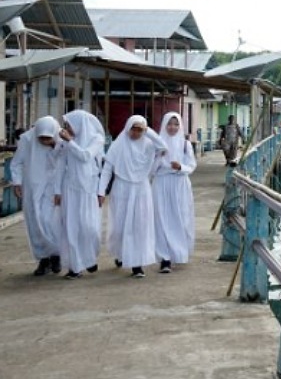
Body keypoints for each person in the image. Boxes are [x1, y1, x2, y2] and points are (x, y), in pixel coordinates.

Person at [99, 115, 167, 278]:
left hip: (141, 189)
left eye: (139, 130)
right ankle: (122, 254)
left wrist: (147, 130)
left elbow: (163, 146)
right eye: (133, 128)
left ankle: (137, 264)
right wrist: (101, 192)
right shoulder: (118, 145)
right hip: (122, 188)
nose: (136, 133)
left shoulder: (149, 144)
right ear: (127, 127)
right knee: (121, 226)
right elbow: (107, 169)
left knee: (139, 226)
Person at [10, 116, 64, 276]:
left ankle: (56, 256)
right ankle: (43, 259)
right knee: (35, 224)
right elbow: (17, 163)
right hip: (32, 188)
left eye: (48, 138)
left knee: (51, 222)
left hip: (54, 189)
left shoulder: (62, 140)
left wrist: (55, 145)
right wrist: (17, 183)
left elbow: (66, 161)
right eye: (42, 138)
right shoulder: (27, 139)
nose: (44, 141)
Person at [55, 110, 105, 280]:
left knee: (89, 228)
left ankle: (89, 258)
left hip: (88, 190)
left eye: (69, 125)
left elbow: (85, 156)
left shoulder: (96, 139)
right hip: (70, 189)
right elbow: (60, 165)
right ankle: (75, 267)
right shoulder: (66, 142)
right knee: (71, 228)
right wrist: (57, 191)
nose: (66, 128)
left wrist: (70, 142)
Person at [152, 112, 196, 274]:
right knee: (162, 220)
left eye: (176, 124)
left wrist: (180, 167)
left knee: (180, 218)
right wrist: (158, 157)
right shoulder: (157, 144)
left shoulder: (185, 144)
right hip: (161, 184)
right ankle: (165, 258)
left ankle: (179, 253)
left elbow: (191, 166)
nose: (172, 127)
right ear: (164, 125)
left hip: (180, 185)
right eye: (169, 124)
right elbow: (150, 170)